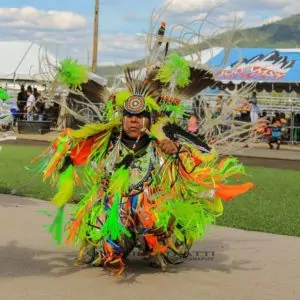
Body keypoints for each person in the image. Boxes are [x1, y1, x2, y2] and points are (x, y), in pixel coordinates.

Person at [32, 13, 254, 276]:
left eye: (139, 117)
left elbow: (204, 156)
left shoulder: (162, 140)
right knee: (107, 244)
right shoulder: (108, 138)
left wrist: (177, 149)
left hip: (153, 206)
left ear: (149, 120)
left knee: (160, 226)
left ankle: (155, 247)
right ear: (122, 118)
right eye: (129, 117)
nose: (134, 122)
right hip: (114, 207)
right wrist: (65, 153)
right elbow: (77, 146)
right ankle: (116, 242)